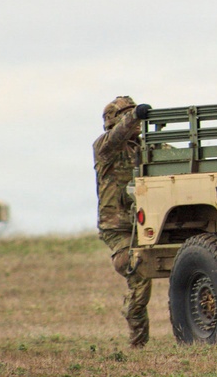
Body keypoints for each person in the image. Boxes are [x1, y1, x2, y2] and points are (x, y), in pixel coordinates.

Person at [93, 96, 152, 348]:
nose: (135, 122)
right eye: (127, 115)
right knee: (137, 271)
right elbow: (118, 135)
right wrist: (136, 114)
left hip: (144, 223)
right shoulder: (104, 146)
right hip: (117, 229)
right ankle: (138, 343)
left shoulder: (142, 147)